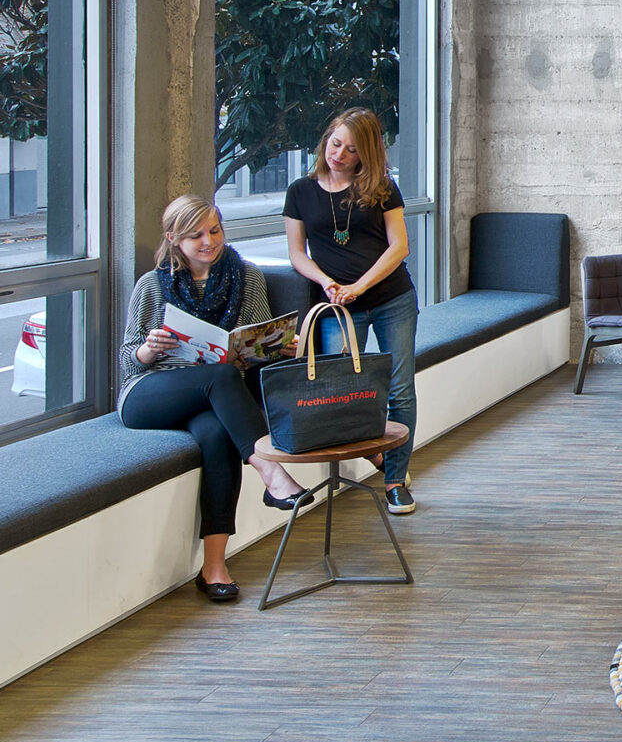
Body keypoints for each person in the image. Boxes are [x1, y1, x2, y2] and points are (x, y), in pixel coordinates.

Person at [119, 195, 311, 603]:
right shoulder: (152, 286)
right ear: (173, 239)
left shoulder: (248, 278)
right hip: (150, 395)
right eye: (195, 235)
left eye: (214, 230)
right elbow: (128, 362)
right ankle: (271, 470)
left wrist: (280, 346)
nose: (209, 241)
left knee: (216, 435)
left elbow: (257, 344)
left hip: (213, 400)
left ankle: (214, 567)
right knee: (221, 376)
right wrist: (150, 348)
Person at [284, 107, 421, 515]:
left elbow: (400, 247)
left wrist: (360, 286)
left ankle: (395, 481)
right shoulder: (300, 191)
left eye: (351, 149)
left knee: (398, 391)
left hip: (391, 299)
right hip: (338, 307)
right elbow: (296, 252)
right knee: (341, 392)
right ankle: (378, 457)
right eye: (335, 143)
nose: (339, 154)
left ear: (366, 154)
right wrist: (325, 281)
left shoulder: (382, 187)